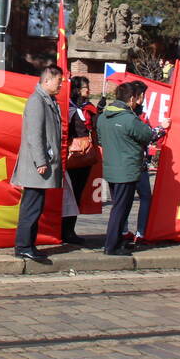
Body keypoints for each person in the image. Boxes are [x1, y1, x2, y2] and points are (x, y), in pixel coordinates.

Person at [97, 82, 162, 257]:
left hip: (110, 169)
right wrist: (162, 128)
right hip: (126, 170)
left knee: (118, 208)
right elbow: (149, 135)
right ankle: (112, 245)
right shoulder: (128, 119)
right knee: (121, 209)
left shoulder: (103, 117)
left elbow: (101, 141)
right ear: (132, 99)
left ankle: (116, 242)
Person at [10, 65, 64, 265]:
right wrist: (41, 160)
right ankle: (23, 247)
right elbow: (34, 135)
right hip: (37, 166)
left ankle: (28, 245)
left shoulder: (47, 100)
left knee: (35, 206)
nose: (61, 85)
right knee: (31, 207)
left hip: (41, 165)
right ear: (47, 80)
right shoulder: (36, 102)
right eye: (59, 82)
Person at [62, 76, 97, 246]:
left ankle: (70, 230)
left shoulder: (88, 108)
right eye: (85, 87)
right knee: (68, 195)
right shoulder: (67, 108)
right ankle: (64, 230)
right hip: (71, 156)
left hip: (85, 156)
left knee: (77, 194)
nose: (88, 91)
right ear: (76, 90)